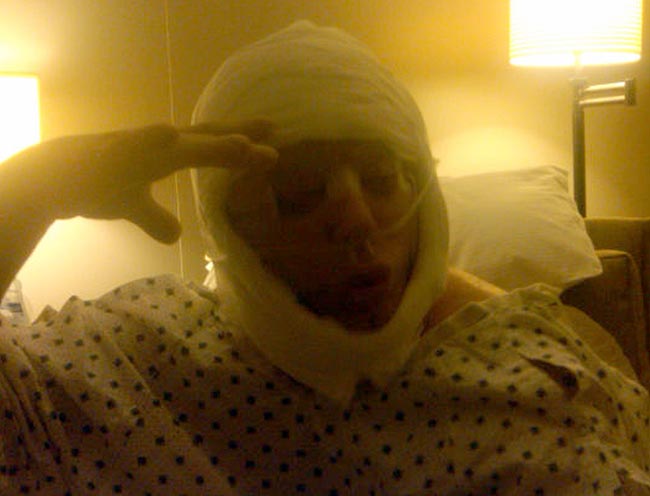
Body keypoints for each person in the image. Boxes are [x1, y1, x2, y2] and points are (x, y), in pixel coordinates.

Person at [0, 20, 649, 495]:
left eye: (382, 179)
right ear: (230, 229)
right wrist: (31, 188)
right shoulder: (138, 363)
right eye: (300, 193)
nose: (358, 220)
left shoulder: (528, 359)